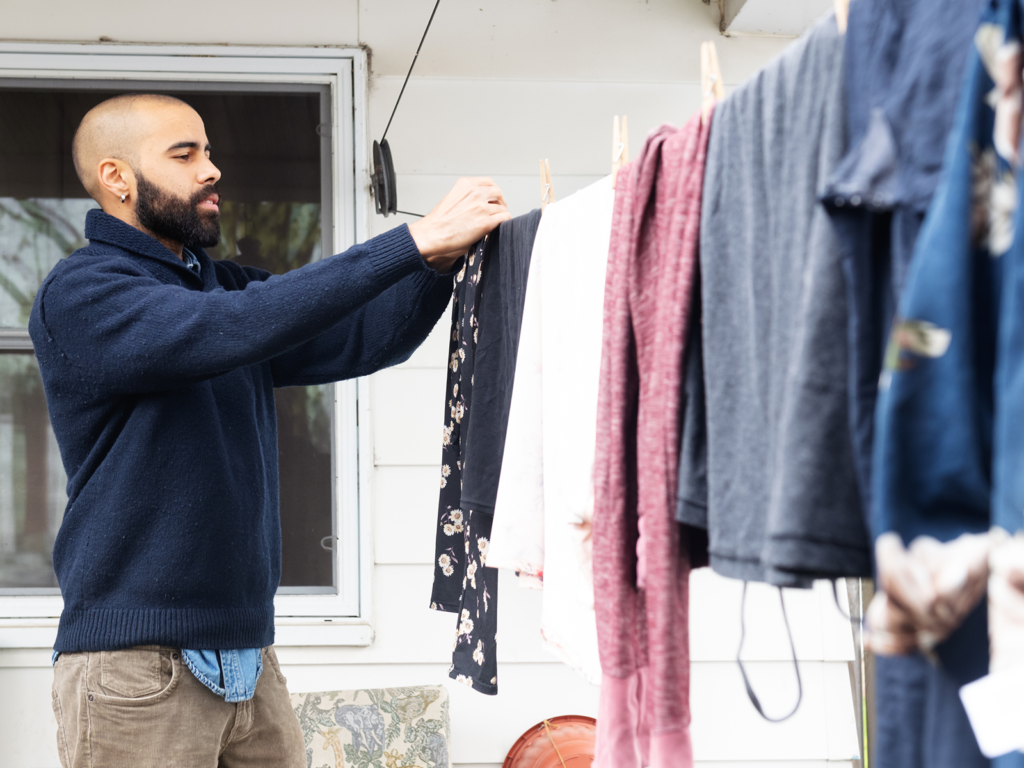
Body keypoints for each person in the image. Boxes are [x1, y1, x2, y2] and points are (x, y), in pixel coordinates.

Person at [31, 93, 510, 768]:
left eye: (209, 151)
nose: (211, 169)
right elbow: (230, 327)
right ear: (117, 178)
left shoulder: (217, 288)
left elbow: (363, 336)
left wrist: (433, 266)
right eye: (185, 154)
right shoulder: (84, 293)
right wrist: (409, 240)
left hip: (251, 658)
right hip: (135, 668)